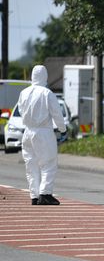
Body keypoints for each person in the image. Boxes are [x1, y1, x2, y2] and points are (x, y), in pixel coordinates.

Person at [17, 65, 67, 205]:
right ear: (44, 76)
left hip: (28, 132)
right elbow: (56, 113)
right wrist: (62, 129)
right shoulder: (47, 93)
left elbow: (21, 111)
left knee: (31, 164)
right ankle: (45, 193)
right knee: (48, 163)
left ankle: (34, 195)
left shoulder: (24, 93)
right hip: (43, 131)